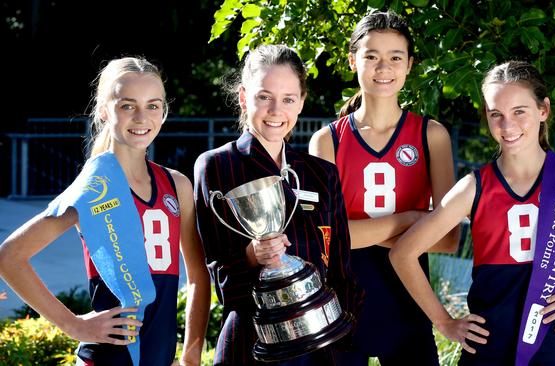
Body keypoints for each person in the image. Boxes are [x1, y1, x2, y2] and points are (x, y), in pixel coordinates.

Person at [390, 60, 555, 365]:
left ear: (544, 110)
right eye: (496, 114)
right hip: (486, 353)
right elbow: (403, 253)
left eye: (519, 112)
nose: (507, 126)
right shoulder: (475, 187)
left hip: (552, 352)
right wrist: (444, 322)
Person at [0, 57, 211, 366]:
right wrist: (74, 325)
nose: (142, 117)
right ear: (103, 111)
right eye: (127, 106)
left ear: (163, 112)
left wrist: (191, 353)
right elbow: (9, 257)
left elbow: (198, 275)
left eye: (153, 105)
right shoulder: (94, 188)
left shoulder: (176, 185)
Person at [194, 44, 363, 366]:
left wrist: (346, 333)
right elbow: (219, 275)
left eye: (287, 99)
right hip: (253, 342)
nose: (276, 110)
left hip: (322, 346)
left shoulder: (320, 173)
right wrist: (251, 255)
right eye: (264, 97)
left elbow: (342, 266)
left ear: (301, 102)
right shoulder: (217, 165)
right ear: (244, 96)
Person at [309, 11, 460, 366]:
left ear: (409, 65)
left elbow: (449, 238)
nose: (383, 67)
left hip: (409, 305)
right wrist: (410, 220)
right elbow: (327, 239)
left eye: (395, 57)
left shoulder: (430, 135)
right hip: (342, 310)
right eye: (371, 56)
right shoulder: (327, 140)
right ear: (352, 61)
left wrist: (358, 231)